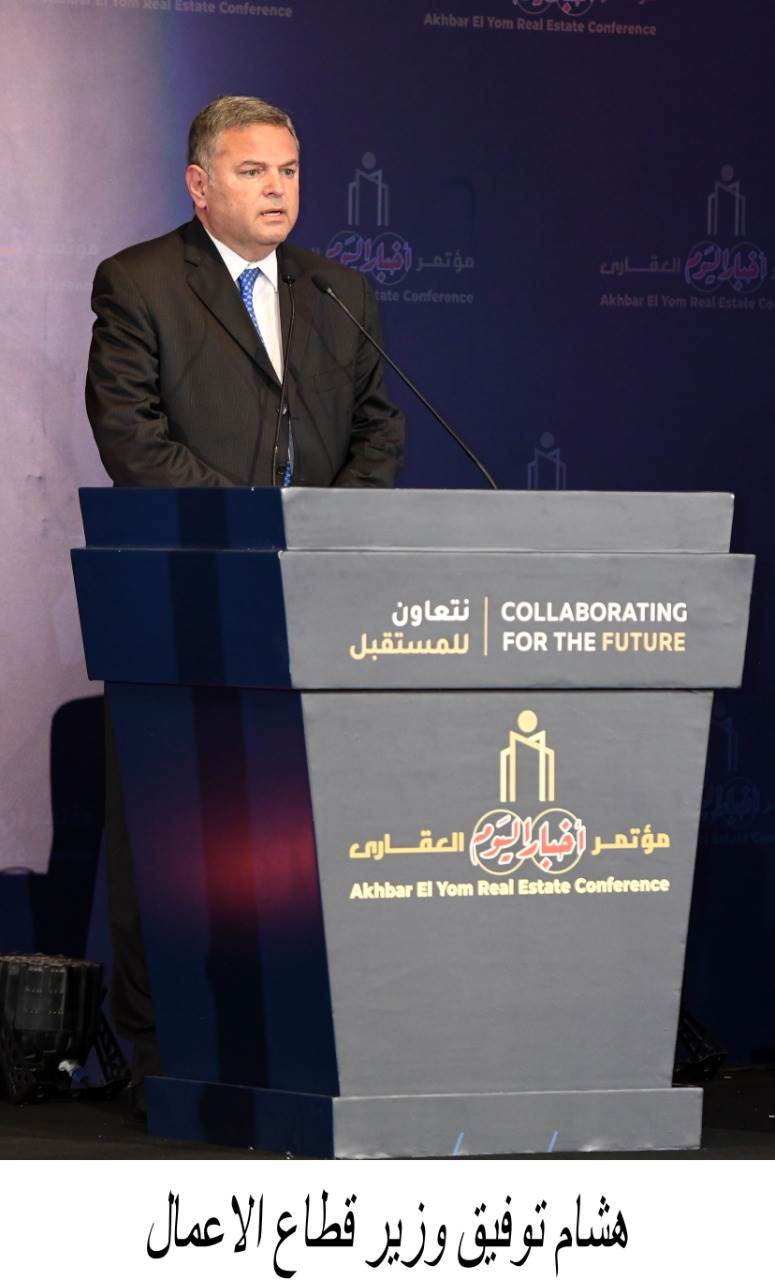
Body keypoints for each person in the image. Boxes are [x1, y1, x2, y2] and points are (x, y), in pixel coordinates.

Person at [85, 96, 405, 1113]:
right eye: (253, 170)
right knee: (174, 835)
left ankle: (310, 1044)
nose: (277, 189)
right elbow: (133, 437)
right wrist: (256, 529)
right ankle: (164, 1053)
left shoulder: (340, 289)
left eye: (290, 171)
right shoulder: (139, 281)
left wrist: (323, 534)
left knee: (306, 838)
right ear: (200, 184)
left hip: (319, 603)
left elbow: (379, 428)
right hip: (187, 599)